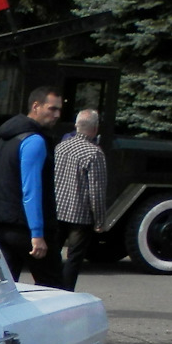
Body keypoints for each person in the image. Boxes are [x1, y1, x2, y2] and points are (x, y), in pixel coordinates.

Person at [0, 86, 65, 285]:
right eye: (52, 109)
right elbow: (31, 190)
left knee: (6, 290)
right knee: (55, 290)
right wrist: (37, 234)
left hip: (0, 224)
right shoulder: (34, 140)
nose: (57, 115)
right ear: (36, 106)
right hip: (25, 228)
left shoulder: (6, 137)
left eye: (59, 110)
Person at [52, 108, 108, 290]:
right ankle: (65, 292)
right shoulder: (94, 153)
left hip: (56, 210)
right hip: (80, 215)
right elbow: (96, 190)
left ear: (76, 126)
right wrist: (100, 220)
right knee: (74, 258)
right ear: (95, 129)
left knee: (52, 255)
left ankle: (48, 289)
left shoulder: (60, 147)